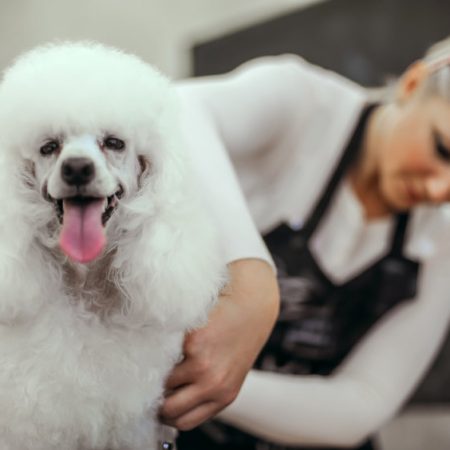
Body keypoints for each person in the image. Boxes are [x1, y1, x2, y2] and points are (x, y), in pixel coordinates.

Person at [161, 36, 450, 450]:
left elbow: (363, 401)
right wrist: (249, 276)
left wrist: (214, 380)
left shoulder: (441, 241)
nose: (441, 189)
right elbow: (177, 109)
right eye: (442, 149)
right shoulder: (302, 104)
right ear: (411, 85)